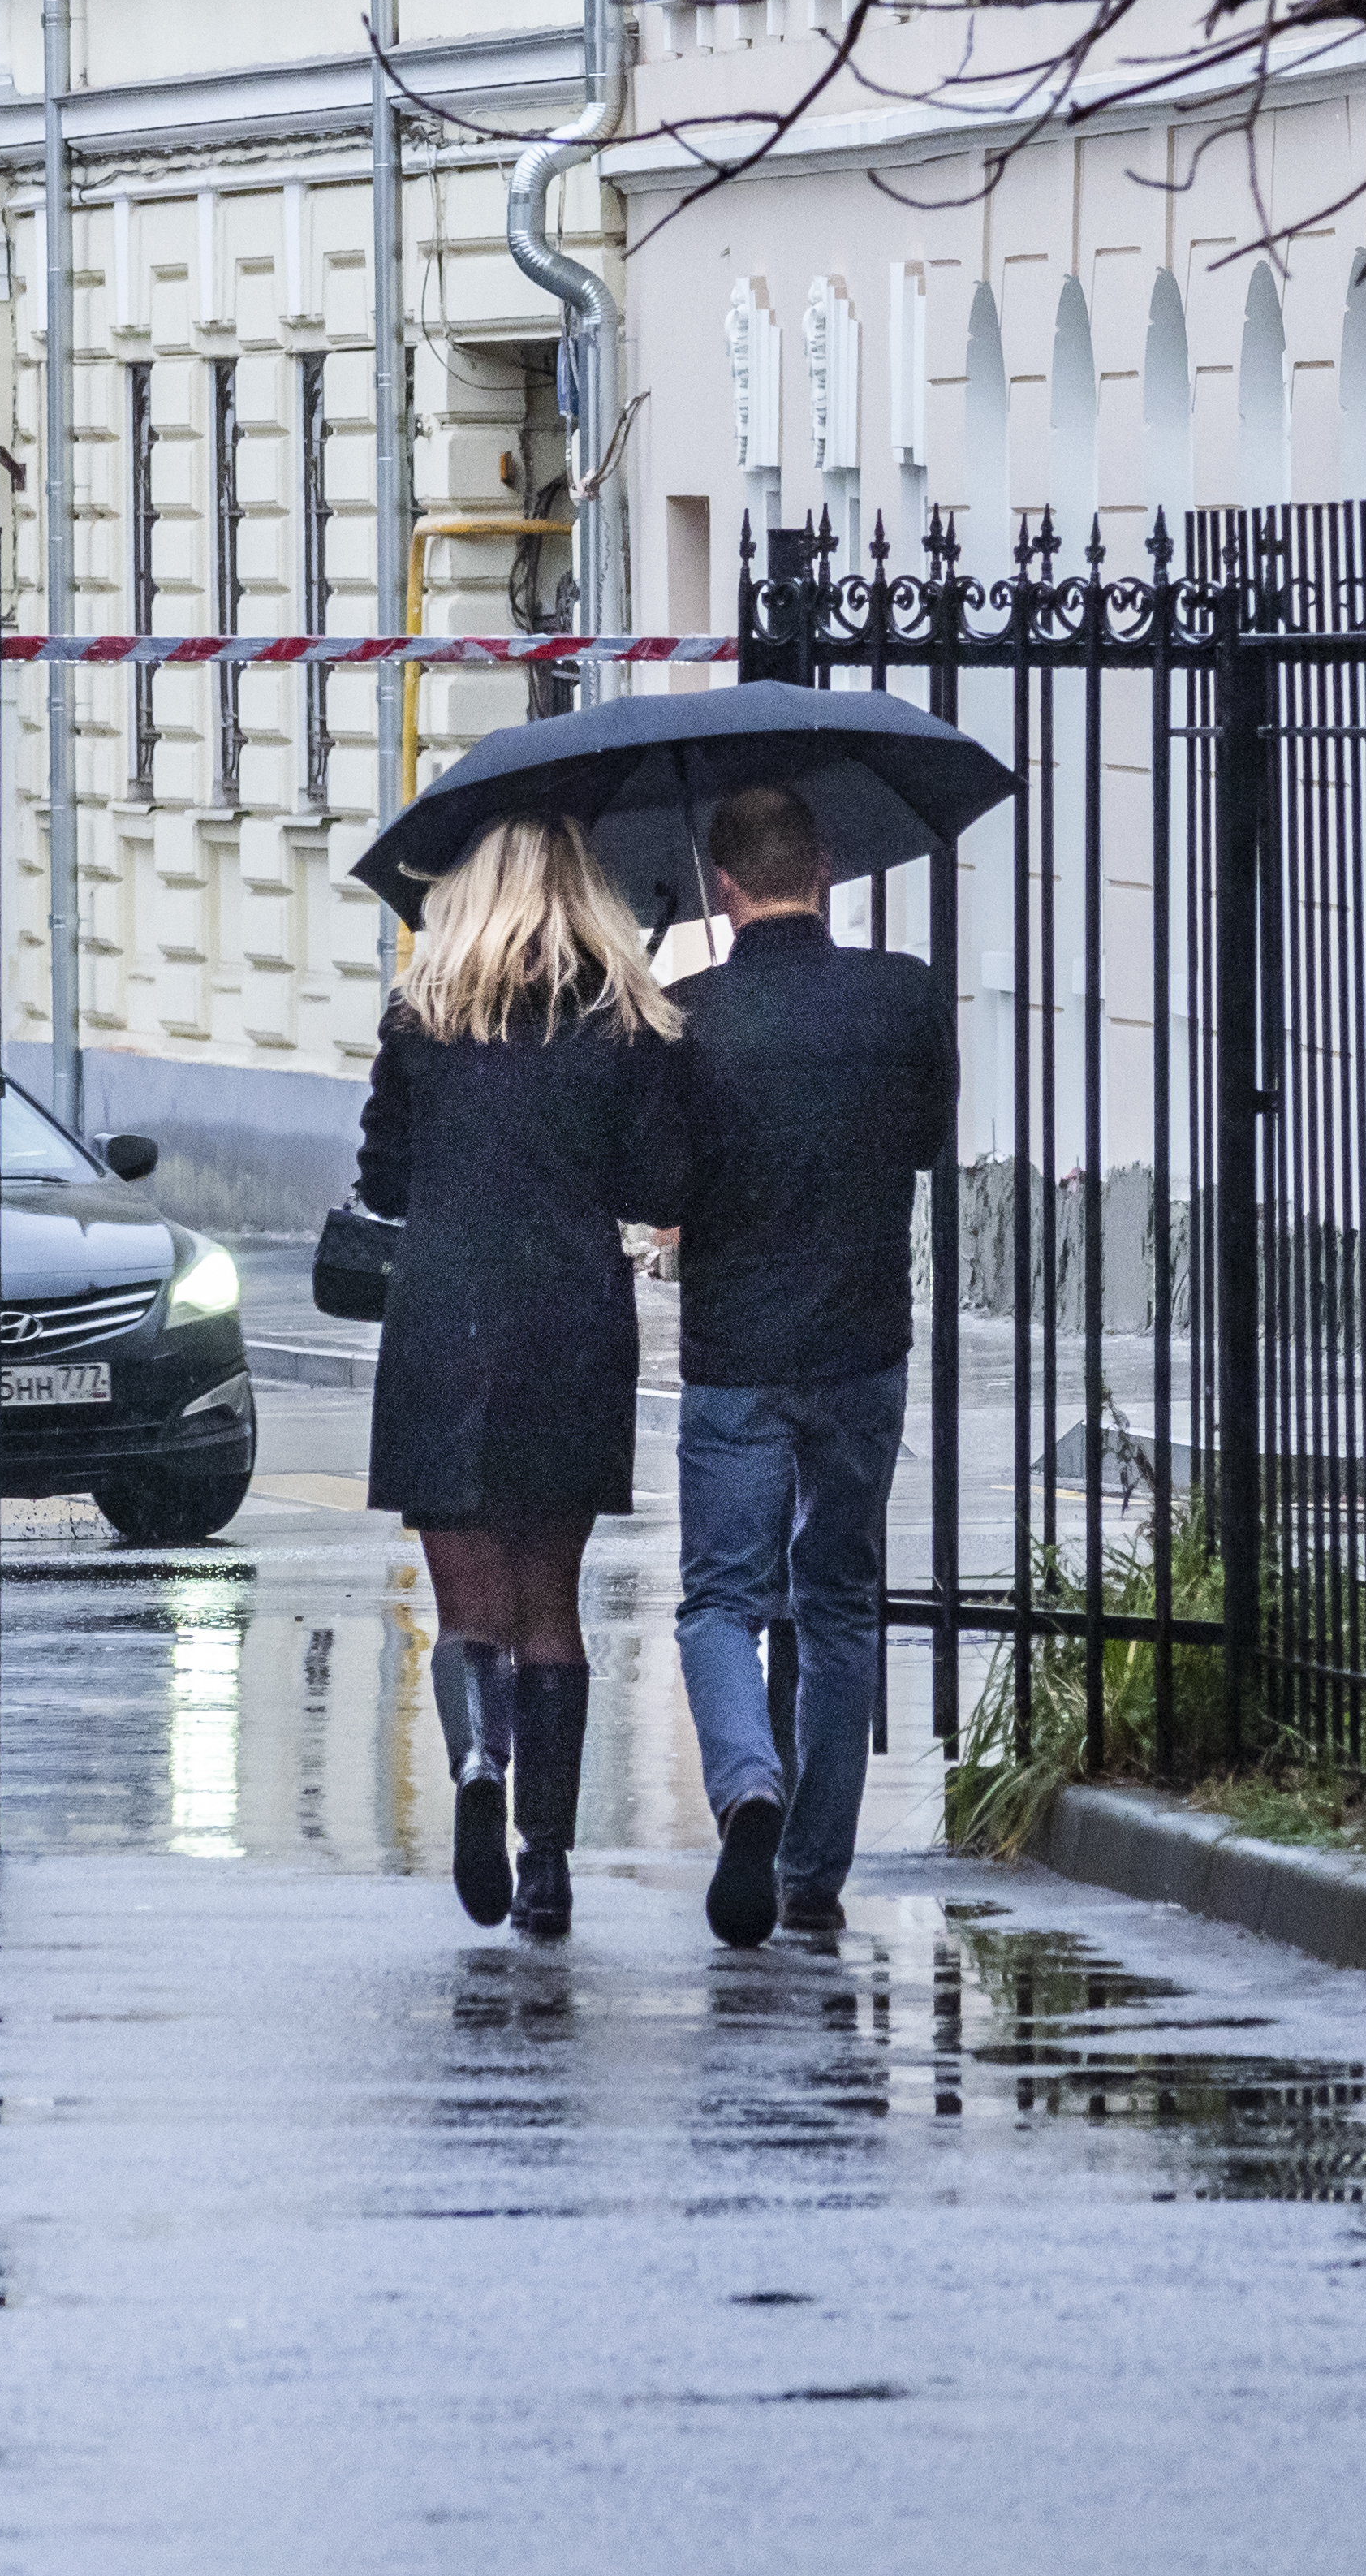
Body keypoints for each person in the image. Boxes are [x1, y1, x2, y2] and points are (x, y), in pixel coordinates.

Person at [359, 811, 689, 1938]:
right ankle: (546, 1863)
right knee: (552, 1602)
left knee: (470, 1608)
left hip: (442, 1318)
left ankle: (475, 1768)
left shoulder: (421, 1015)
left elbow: (385, 1180)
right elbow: (653, 1181)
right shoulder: (622, 1019)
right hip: (569, 1321)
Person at [668, 782, 957, 1948]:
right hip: (860, 1345)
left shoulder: (689, 1013)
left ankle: (746, 1783)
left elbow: (656, 1181)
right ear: (825, 868)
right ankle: (811, 1872)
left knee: (717, 1604)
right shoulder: (901, 996)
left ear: (719, 885)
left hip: (735, 1354)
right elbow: (929, 1140)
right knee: (837, 1608)